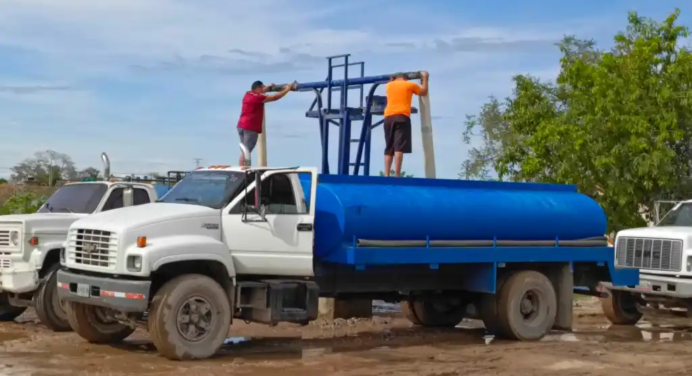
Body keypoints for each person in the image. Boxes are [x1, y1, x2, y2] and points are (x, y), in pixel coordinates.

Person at [237, 80, 294, 166]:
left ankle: (242, 168)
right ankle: (244, 171)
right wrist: (287, 89)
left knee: (244, 150)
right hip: (250, 127)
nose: (264, 89)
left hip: (241, 125)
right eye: (263, 87)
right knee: (247, 151)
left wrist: (267, 88)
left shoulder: (247, 94)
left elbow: (260, 92)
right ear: (259, 88)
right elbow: (275, 97)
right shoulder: (258, 98)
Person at [383, 71, 429, 177]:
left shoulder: (389, 85)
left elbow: (392, 81)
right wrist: (425, 77)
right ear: (406, 78)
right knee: (399, 147)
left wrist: (392, 79)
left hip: (388, 117)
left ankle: (386, 175)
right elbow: (424, 91)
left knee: (389, 146)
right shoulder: (409, 85)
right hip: (402, 116)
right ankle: (397, 175)